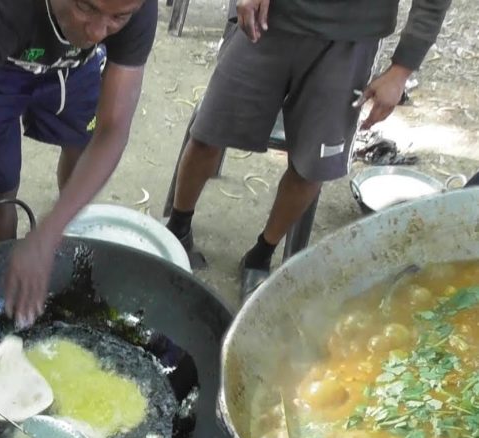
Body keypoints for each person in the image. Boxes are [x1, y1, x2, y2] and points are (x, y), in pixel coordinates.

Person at [0, 0, 157, 360]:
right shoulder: (1, 9)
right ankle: (2, 264)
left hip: (73, 64)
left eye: (118, 18)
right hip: (0, 63)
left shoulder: (133, 6)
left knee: (80, 142)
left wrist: (48, 234)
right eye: (86, 7)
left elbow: (113, 129)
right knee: (2, 176)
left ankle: (40, 253)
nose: (98, 32)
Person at [165, 0, 451, 303]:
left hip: (349, 42)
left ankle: (261, 255)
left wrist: (401, 70)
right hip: (268, 18)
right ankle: (178, 229)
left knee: (311, 167)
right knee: (208, 133)